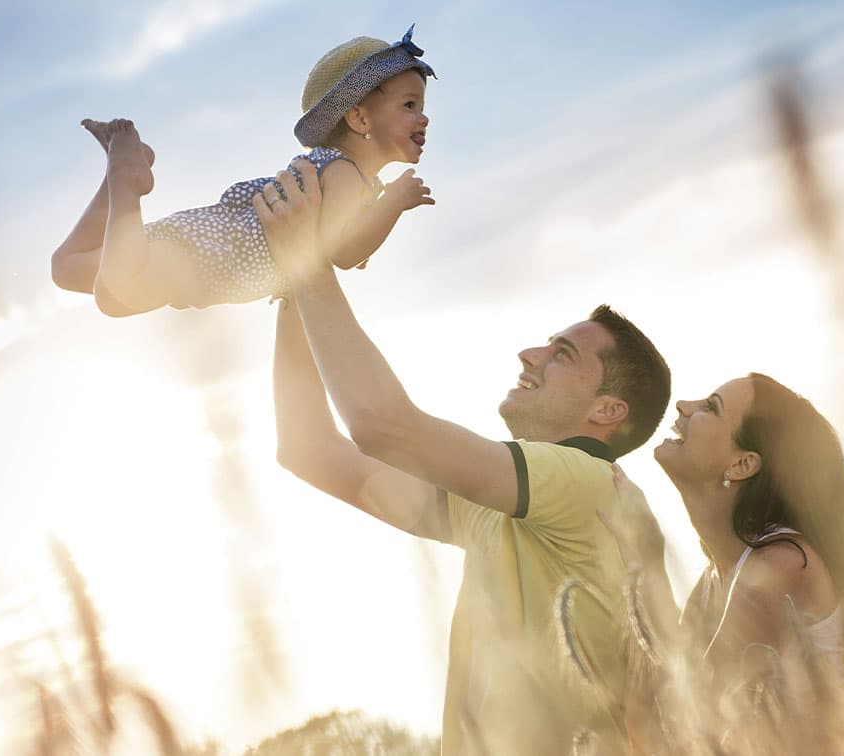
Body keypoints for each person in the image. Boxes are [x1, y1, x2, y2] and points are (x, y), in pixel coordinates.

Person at [258, 162, 673, 754]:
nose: (530, 353)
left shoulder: (588, 481)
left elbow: (380, 425)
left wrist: (309, 260)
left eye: (561, 354)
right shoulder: (497, 508)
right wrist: (292, 286)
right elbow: (310, 451)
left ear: (607, 412)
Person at [49, 25, 437, 317]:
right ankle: (124, 178)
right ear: (358, 117)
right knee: (120, 291)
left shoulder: (346, 178)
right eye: (409, 105)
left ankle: (118, 170)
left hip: (202, 239)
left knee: (68, 269)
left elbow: (336, 240)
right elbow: (343, 252)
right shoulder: (346, 175)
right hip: (210, 255)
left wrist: (370, 222)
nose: (423, 117)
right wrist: (395, 204)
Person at [599, 373, 844, 752]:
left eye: (710, 408)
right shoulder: (711, 583)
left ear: (742, 464)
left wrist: (651, 558)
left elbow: (689, 697)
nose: (684, 406)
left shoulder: (782, 565)